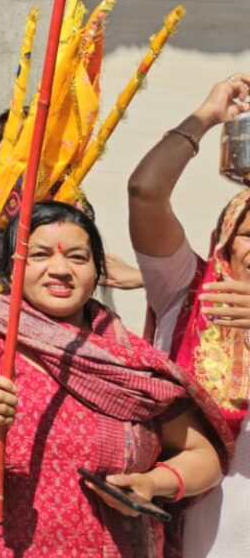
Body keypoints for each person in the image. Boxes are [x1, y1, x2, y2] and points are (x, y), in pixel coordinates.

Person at [0, 202, 233, 557]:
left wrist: (153, 483)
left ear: (97, 271)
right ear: (12, 268)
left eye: (77, 258)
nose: (60, 269)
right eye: (40, 255)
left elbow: (203, 455)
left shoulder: (128, 360)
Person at [126, 74, 250, 558]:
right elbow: (145, 192)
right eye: (248, 233)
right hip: (194, 536)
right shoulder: (186, 288)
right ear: (225, 239)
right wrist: (206, 116)